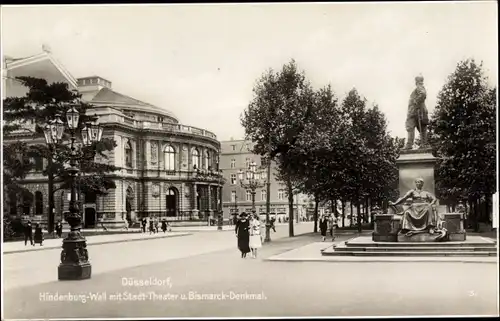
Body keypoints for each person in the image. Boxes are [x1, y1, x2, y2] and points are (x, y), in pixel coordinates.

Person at [403, 75, 429, 150]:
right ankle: (420, 144)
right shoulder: (419, 88)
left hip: (417, 112)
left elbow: (423, 94)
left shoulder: (419, 87)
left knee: (414, 127)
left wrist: (415, 101)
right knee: (413, 128)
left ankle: (413, 144)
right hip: (415, 112)